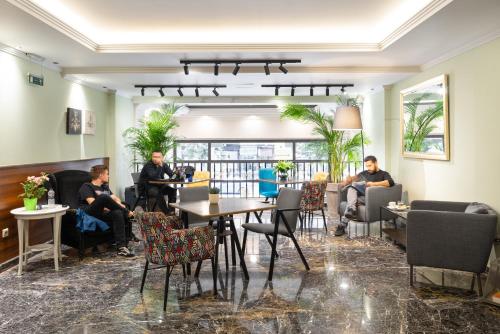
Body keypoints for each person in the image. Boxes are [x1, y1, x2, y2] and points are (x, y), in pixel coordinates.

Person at [78, 165, 135, 257]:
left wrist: (117, 205)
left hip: (103, 213)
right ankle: (128, 213)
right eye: (107, 174)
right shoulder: (87, 186)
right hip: (89, 213)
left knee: (117, 212)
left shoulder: (105, 187)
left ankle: (121, 247)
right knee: (103, 197)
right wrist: (111, 205)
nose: (108, 176)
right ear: (101, 175)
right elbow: (92, 203)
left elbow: (116, 199)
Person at [334, 155, 395, 237]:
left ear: (376, 163)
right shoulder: (364, 173)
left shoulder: (383, 174)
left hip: (373, 198)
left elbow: (390, 182)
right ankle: (351, 210)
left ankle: (343, 224)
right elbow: (354, 178)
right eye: (366, 166)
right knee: (353, 186)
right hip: (361, 197)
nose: (368, 168)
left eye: (370, 165)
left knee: (354, 192)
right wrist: (347, 180)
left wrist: (373, 184)